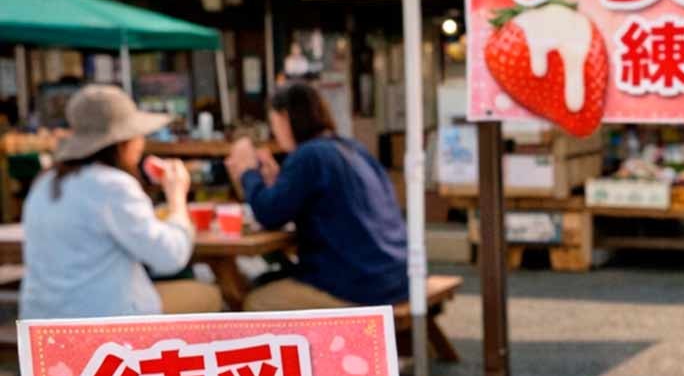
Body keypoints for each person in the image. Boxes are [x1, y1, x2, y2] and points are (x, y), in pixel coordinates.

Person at [19, 85, 221, 319]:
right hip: (103, 320)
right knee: (209, 295)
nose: (142, 142)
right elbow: (171, 257)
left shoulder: (46, 181)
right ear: (122, 141)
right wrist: (177, 198)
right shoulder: (113, 185)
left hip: (43, 320)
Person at [225, 82, 409, 311]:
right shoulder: (351, 148)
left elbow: (269, 213)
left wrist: (247, 171)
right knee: (267, 281)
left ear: (284, 118)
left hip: (360, 287)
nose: (275, 133)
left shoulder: (309, 155)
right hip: (395, 277)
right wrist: (277, 182)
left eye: (274, 124)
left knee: (253, 303)